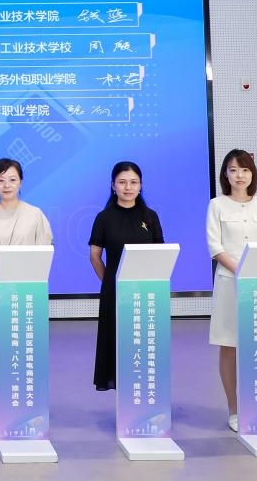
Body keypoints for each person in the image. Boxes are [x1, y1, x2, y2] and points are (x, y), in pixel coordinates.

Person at [0, 157, 53, 395]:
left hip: (28, 286)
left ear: (21, 182)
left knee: (28, 341)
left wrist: (30, 280)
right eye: (1, 180)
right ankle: (4, 396)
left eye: (12, 180)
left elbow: (45, 250)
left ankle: (30, 394)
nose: (6, 185)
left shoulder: (35, 215)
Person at [205, 149, 257, 431]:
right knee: (229, 344)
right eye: (233, 170)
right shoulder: (217, 205)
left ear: (252, 173)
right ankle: (234, 408)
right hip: (229, 282)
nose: (239, 175)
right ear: (225, 174)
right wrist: (241, 269)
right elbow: (215, 247)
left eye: (244, 169)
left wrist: (256, 272)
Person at [88, 160, 164, 392]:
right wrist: (110, 283)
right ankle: (124, 396)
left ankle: (145, 392)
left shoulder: (150, 217)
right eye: (122, 182)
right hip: (115, 292)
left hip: (146, 291)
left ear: (141, 185)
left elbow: (160, 253)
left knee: (144, 342)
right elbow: (95, 256)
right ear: (113, 185)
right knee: (116, 341)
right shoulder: (104, 218)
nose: (128, 187)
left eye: (133, 182)